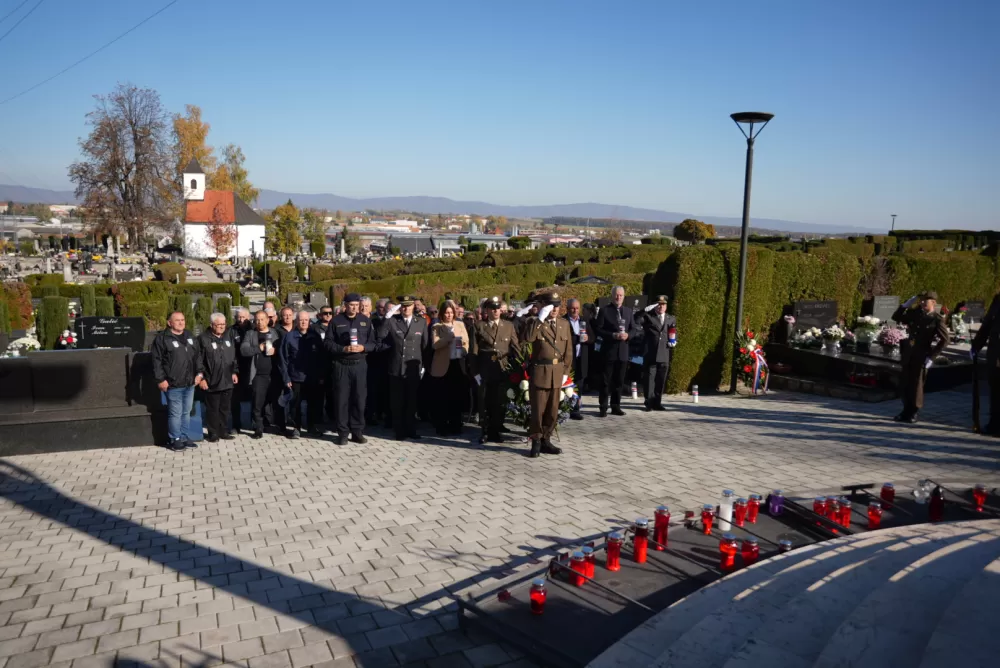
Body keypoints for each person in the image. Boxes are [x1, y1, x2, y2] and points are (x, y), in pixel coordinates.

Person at [523, 292, 573, 458]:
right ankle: (536, 441)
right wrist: (540, 319)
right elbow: (528, 338)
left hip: (557, 372)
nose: (555, 309)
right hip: (540, 371)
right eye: (551, 306)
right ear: (544, 306)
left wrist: (566, 371)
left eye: (557, 306)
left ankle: (546, 439)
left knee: (553, 410)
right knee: (538, 410)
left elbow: (568, 351)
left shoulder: (564, 324)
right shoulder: (535, 322)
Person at [324, 293, 376, 445]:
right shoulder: (336, 321)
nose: (354, 308)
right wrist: (343, 349)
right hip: (342, 365)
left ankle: (357, 431)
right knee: (342, 400)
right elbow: (327, 343)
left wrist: (363, 347)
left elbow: (373, 343)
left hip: (359, 364)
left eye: (356, 305)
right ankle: (342, 433)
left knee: (359, 399)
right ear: (345, 305)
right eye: (351, 305)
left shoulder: (365, 321)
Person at [892, 291, 950, 423]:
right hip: (909, 352)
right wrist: (904, 306)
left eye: (925, 301)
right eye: (921, 300)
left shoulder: (936, 319)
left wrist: (932, 357)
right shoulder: (915, 314)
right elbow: (896, 317)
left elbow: (945, 340)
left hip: (922, 354)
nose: (922, 303)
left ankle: (914, 411)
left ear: (933, 302)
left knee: (916, 385)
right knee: (905, 383)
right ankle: (905, 410)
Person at [470, 296, 519, 443]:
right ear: (487, 310)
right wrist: (475, 372)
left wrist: (521, 366)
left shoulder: (508, 326)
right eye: (492, 308)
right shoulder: (479, 326)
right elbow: (473, 352)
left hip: (502, 369)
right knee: (484, 401)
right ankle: (485, 431)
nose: (496, 311)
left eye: (498, 308)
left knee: (499, 402)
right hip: (485, 369)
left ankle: (495, 431)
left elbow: (515, 347)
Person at [378, 296, 428, 440]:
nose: (406, 308)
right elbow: (380, 335)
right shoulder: (393, 321)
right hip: (396, 367)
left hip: (412, 368)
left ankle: (411, 429)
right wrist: (387, 317)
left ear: (413, 306)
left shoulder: (421, 322)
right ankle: (399, 431)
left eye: (408, 306)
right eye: (403, 306)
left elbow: (425, 345)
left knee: (411, 401)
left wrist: (423, 365)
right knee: (397, 402)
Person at [151, 311, 199, 451]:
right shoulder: (162, 339)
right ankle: (175, 439)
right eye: (177, 320)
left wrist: (200, 373)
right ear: (169, 323)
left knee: (186, 412)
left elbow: (198, 356)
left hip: (189, 382)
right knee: (175, 413)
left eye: (182, 320)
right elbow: (156, 361)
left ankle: (184, 436)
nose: (181, 322)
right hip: (173, 383)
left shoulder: (189, 336)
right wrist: (160, 379)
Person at [279, 311, 325, 438]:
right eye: (301, 320)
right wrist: (286, 378)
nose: (303, 322)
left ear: (309, 321)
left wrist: (321, 375)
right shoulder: (289, 337)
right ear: (296, 321)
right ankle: (296, 427)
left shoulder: (315, 336)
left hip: (312, 377)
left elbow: (322, 357)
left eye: (306, 320)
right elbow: (283, 359)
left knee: (313, 404)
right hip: (295, 377)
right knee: (295, 405)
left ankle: (311, 427)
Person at [195, 313, 239, 442]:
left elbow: (233, 357)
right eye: (218, 324)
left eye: (223, 324)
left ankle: (223, 431)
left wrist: (234, 371)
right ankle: (213, 433)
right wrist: (202, 377)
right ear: (211, 325)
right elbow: (198, 360)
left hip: (227, 379)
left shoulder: (228, 337)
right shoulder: (203, 339)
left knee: (225, 408)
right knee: (213, 408)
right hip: (211, 380)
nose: (221, 326)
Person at [594, 286, 636, 417]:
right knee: (605, 381)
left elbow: (634, 329)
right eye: (616, 295)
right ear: (612, 296)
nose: (618, 297)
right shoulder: (604, 310)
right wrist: (612, 335)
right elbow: (598, 329)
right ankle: (603, 407)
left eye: (621, 295)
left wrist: (628, 335)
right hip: (609, 351)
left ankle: (616, 406)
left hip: (623, 352)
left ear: (624, 297)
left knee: (619, 381)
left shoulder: (628, 311)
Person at [430, 300, 470, 435]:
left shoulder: (460, 324)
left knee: (456, 397)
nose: (449, 315)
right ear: (442, 313)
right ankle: (441, 426)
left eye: (451, 313)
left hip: (457, 364)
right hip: (442, 366)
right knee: (442, 398)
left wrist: (464, 350)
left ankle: (455, 425)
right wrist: (448, 337)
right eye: (447, 313)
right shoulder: (437, 327)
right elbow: (435, 345)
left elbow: (466, 341)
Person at [241, 310, 281, 439]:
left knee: (274, 401)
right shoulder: (250, 334)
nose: (259, 322)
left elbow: (281, 349)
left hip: (273, 374)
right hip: (258, 374)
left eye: (262, 319)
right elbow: (244, 350)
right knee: (257, 402)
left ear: (268, 320)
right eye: (257, 320)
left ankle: (275, 425)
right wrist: (259, 348)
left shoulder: (274, 333)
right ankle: (258, 428)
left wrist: (276, 351)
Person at [639, 295, 676, 411]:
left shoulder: (671, 318)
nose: (661, 306)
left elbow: (673, 331)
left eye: (663, 304)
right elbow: (636, 320)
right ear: (655, 306)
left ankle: (657, 402)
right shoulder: (648, 317)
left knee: (661, 379)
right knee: (649, 379)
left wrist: (674, 340)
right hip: (651, 353)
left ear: (666, 306)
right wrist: (644, 310)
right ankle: (649, 402)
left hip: (664, 353)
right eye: (659, 304)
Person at [972, 293, 1000, 434]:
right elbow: (987, 324)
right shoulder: (998, 299)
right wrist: (976, 346)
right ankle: (994, 424)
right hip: (995, 354)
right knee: (995, 390)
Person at [564, 298, 592, 420]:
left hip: (582, 358)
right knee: (568, 384)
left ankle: (576, 409)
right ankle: (566, 408)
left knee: (579, 385)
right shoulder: (563, 321)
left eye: (577, 308)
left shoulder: (584, 321)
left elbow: (593, 337)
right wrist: (576, 339)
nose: (575, 310)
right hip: (569, 359)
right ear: (567, 309)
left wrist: (587, 338)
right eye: (572, 308)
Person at [228, 307, 253, 434]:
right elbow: (230, 351)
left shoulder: (253, 329)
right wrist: (233, 370)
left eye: (243, 317)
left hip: (252, 368)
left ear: (248, 317)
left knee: (255, 396)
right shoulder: (231, 331)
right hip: (238, 368)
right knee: (235, 398)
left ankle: (255, 423)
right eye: (239, 317)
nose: (241, 319)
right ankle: (236, 425)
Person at [367, 299, 392, 427]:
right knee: (374, 390)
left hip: (390, 359)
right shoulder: (374, 320)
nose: (381, 309)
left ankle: (387, 414)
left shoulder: (396, 320)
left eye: (383, 307)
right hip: (376, 359)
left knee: (387, 390)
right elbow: (377, 336)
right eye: (379, 307)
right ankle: (374, 414)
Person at [313, 305, 337, 423]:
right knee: (319, 394)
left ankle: (332, 416)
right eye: (325, 313)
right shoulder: (314, 328)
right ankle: (318, 418)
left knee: (333, 393)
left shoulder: (335, 326)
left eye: (330, 313)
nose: (328, 315)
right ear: (319, 315)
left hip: (334, 364)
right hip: (320, 364)